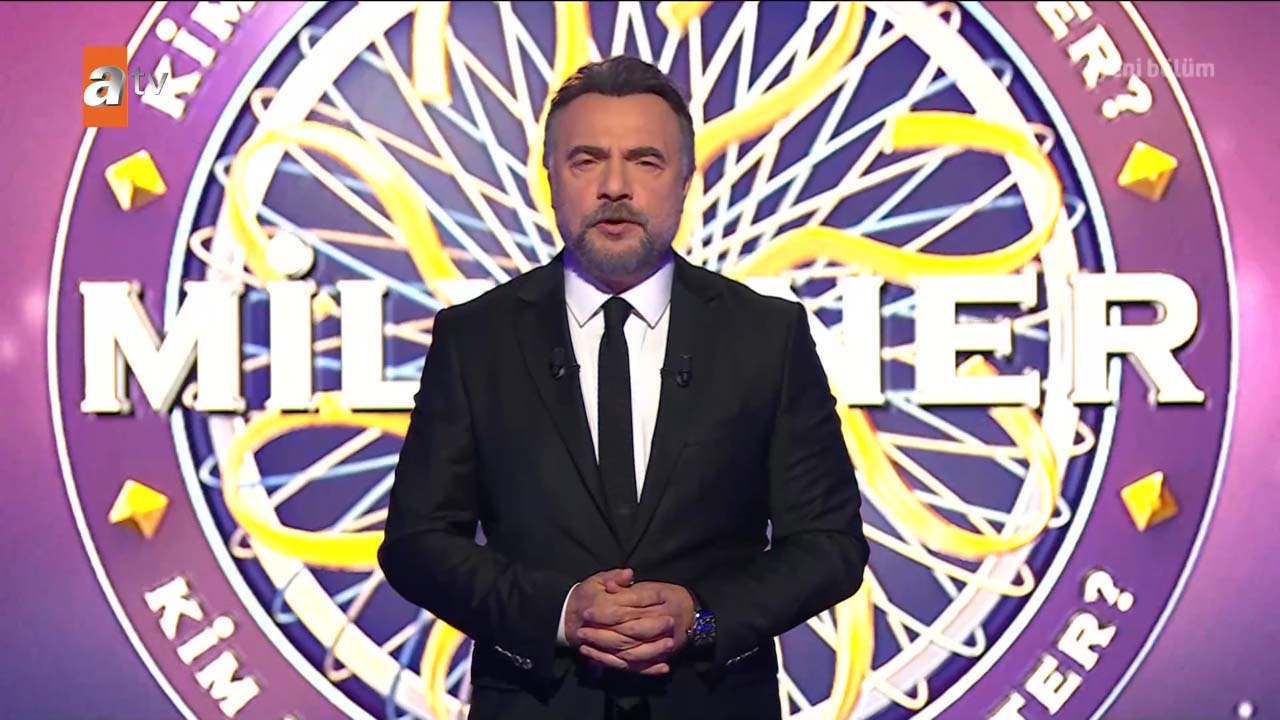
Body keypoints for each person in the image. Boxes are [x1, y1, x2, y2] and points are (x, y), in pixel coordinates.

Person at [378, 55, 869, 720]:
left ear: (685, 181)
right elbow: (417, 544)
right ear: (550, 179)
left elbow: (829, 547)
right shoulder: (476, 339)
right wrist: (558, 613)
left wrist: (700, 620)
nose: (615, 187)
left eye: (645, 160)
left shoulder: (767, 336)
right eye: (587, 160)